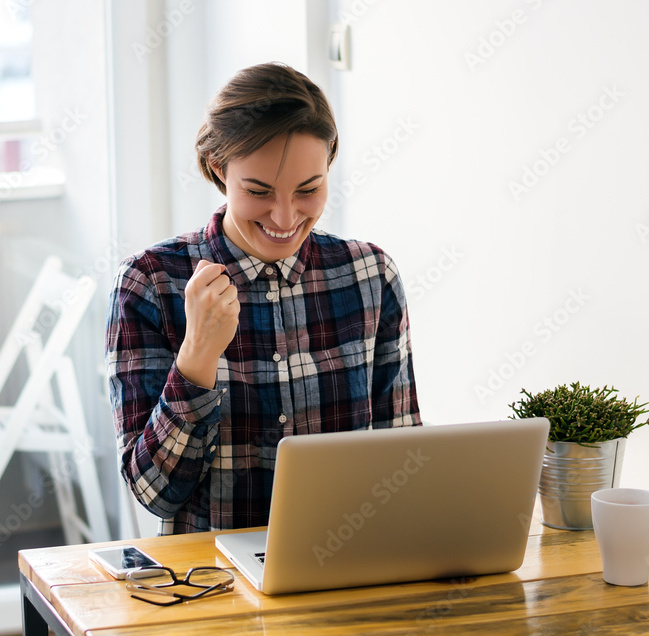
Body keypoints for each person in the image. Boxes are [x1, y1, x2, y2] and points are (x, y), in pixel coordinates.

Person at [106, 62, 421, 535]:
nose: (285, 215)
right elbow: (154, 493)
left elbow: (403, 463)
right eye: (259, 191)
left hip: (348, 574)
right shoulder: (150, 283)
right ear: (219, 169)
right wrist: (197, 356)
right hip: (214, 587)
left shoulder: (370, 275)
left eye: (308, 189)